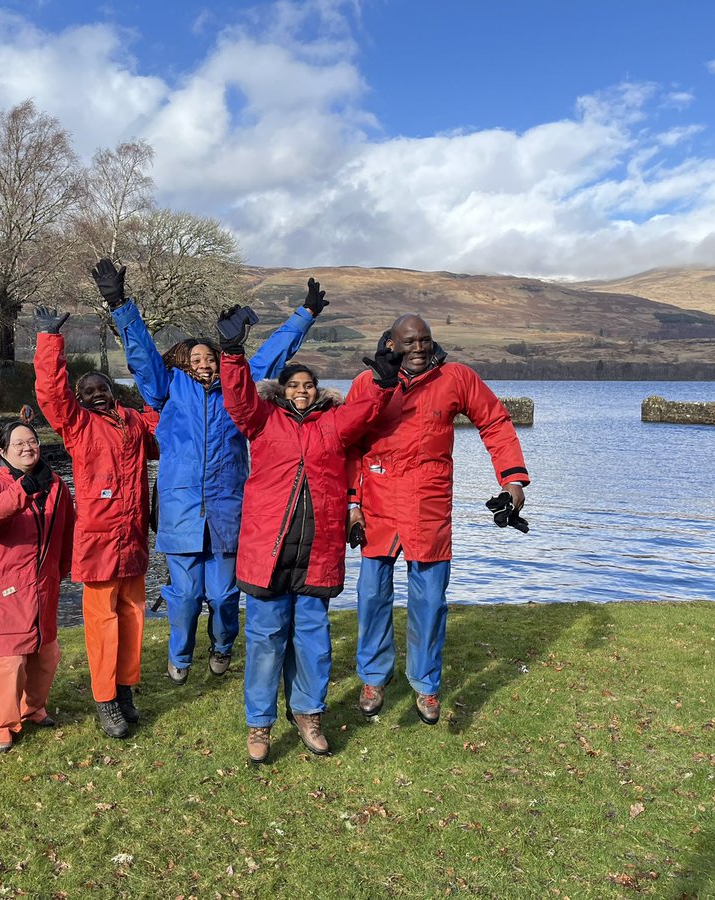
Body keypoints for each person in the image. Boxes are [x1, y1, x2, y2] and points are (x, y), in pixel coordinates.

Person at [94, 259, 323, 685]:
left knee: (222, 596)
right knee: (184, 597)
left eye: (210, 357)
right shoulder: (167, 390)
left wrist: (304, 314)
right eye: (196, 357)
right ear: (184, 362)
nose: (204, 362)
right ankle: (179, 656)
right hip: (181, 509)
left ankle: (221, 645)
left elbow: (274, 352)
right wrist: (120, 304)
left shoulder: (238, 390)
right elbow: (143, 353)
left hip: (227, 510)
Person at [218, 305, 402, 764]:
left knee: (314, 642)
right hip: (268, 552)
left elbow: (364, 412)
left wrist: (382, 379)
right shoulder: (262, 421)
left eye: (308, 385)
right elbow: (237, 398)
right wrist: (230, 353)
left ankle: (308, 714)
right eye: (294, 385)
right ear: (282, 391)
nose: (302, 391)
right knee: (265, 640)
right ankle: (259, 725)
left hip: (317, 553)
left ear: (317, 391)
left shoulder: (333, 425)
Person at [347, 314, 530, 725]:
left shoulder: (457, 378)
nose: (418, 348)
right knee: (372, 598)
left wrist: (513, 478)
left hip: (428, 504)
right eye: (409, 342)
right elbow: (351, 443)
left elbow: (495, 422)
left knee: (429, 601)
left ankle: (426, 685)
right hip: (377, 504)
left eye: (424, 340)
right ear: (391, 344)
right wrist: (352, 503)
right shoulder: (368, 382)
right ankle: (374, 677)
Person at [32, 305, 158, 739]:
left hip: (134, 538)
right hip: (99, 541)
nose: (96, 393)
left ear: (114, 392)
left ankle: (125, 691)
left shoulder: (136, 424)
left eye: (102, 387)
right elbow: (51, 394)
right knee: (102, 622)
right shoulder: (78, 425)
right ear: (80, 400)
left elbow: (166, 415)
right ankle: (105, 700)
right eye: (87, 391)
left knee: (133, 616)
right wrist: (50, 340)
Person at [0, 422, 75, 753]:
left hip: (42, 587)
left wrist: (62, 569)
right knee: (9, 661)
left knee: (45, 654)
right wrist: (22, 490)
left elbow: (67, 528)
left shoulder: (55, 485)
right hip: (2, 590)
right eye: (18, 444)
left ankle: (31, 708)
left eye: (33, 441)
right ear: (3, 452)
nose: (28, 448)